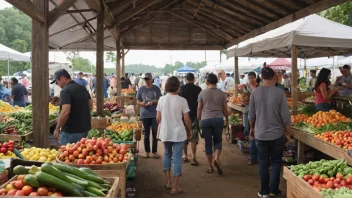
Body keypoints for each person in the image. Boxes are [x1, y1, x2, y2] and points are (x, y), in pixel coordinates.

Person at [248, 67, 291, 198]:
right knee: (277, 161)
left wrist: (251, 129)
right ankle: (274, 190)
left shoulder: (255, 92)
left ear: (261, 77)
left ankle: (264, 191)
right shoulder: (280, 93)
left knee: (263, 162)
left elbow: (251, 115)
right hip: (277, 134)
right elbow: (285, 116)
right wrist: (288, 133)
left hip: (260, 134)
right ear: (274, 77)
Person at [156, 76, 192, 195]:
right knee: (177, 158)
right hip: (178, 133)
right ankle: (175, 187)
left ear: (166, 86)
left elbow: (158, 118)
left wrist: (165, 122)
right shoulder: (182, 100)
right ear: (178, 86)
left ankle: (168, 182)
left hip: (166, 132)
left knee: (167, 154)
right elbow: (186, 119)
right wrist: (190, 130)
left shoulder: (161, 99)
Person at [51, 69, 92, 145]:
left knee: (67, 155)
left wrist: (57, 129)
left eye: (57, 81)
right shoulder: (82, 88)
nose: (57, 84)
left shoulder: (65, 91)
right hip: (85, 129)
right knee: (81, 154)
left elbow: (65, 112)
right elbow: (91, 104)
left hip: (71, 131)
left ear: (62, 78)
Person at [198, 73, 228, 175]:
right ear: (216, 81)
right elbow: (225, 108)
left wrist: (198, 120)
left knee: (208, 143)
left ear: (207, 82)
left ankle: (210, 166)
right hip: (218, 119)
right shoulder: (221, 93)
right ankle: (216, 158)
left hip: (205, 120)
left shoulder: (202, 93)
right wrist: (227, 119)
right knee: (218, 140)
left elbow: (199, 108)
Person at [137, 73, 162, 158]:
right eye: (145, 79)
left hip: (154, 114)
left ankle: (154, 151)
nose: (147, 81)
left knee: (155, 133)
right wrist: (142, 104)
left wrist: (153, 102)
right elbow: (137, 101)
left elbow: (160, 100)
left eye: (148, 79)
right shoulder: (141, 89)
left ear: (152, 80)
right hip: (144, 114)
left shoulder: (156, 89)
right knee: (146, 134)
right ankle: (147, 151)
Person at [179, 73, 202, 165]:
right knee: (194, 136)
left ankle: (185, 155)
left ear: (185, 79)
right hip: (194, 115)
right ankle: (194, 156)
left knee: (184, 136)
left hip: (184, 116)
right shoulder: (198, 89)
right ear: (194, 79)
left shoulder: (182, 89)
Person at [241, 72, 259, 165]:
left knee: (257, 134)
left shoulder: (260, 87)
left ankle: (257, 157)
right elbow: (243, 99)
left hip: (259, 113)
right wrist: (244, 101)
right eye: (249, 78)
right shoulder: (245, 87)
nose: (251, 79)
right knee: (250, 133)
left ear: (255, 78)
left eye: (252, 78)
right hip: (248, 112)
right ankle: (252, 157)